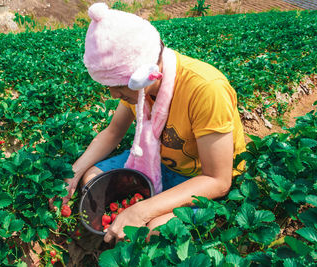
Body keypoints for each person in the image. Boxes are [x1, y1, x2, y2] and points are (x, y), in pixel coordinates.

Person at [62, 3, 246, 244]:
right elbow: (113, 132)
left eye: (118, 85)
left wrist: (142, 210)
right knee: (92, 180)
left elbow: (217, 181)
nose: (113, 95)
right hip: (159, 162)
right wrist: (73, 174)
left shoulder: (205, 89)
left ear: (145, 73)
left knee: (153, 228)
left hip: (198, 178)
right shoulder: (139, 91)